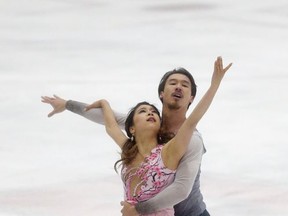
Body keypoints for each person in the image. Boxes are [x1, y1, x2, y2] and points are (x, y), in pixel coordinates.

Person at [41, 56, 232, 216]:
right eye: (173, 83)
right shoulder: (149, 125)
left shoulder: (191, 140)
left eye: (185, 85)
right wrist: (67, 104)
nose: (178, 87)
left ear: (191, 98)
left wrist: (138, 210)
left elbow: (182, 189)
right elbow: (109, 121)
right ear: (161, 94)